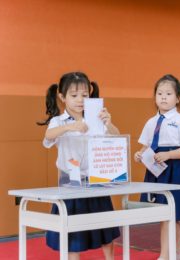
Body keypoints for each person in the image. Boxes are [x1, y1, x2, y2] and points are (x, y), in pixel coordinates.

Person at [38, 71, 120, 260]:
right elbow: (48, 137)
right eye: (74, 95)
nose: (80, 100)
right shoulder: (58, 121)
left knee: (105, 227)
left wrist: (110, 122)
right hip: (70, 182)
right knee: (71, 231)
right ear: (62, 97)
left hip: (97, 180)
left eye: (84, 95)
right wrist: (70, 127)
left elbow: (116, 138)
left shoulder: (96, 118)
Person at [134, 74, 180, 260]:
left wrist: (169, 154)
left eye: (168, 93)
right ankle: (179, 253)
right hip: (156, 171)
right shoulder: (150, 122)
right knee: (166, 215)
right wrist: (139, 154)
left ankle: (165, 255)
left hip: (175, 170)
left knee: (170, 214)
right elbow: (146, 147)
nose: (163, 97)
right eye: (159, 93)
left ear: (177, 98)